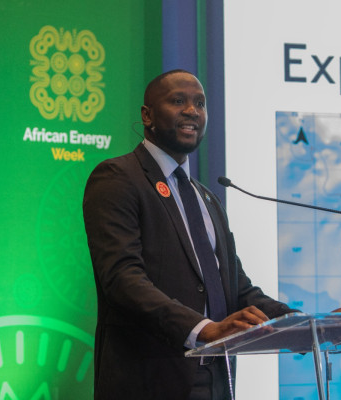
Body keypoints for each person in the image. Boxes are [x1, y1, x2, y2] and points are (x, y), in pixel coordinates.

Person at [83, 69, 300, 400]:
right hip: (150, 381)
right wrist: (204, 329)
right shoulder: (118, 178)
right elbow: (123, 280)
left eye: (200, 103)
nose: (191, 111)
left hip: (216, 379)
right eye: (178, 101)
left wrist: (299, 323)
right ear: (147, 115)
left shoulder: (207, 197)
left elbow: (238, 291)